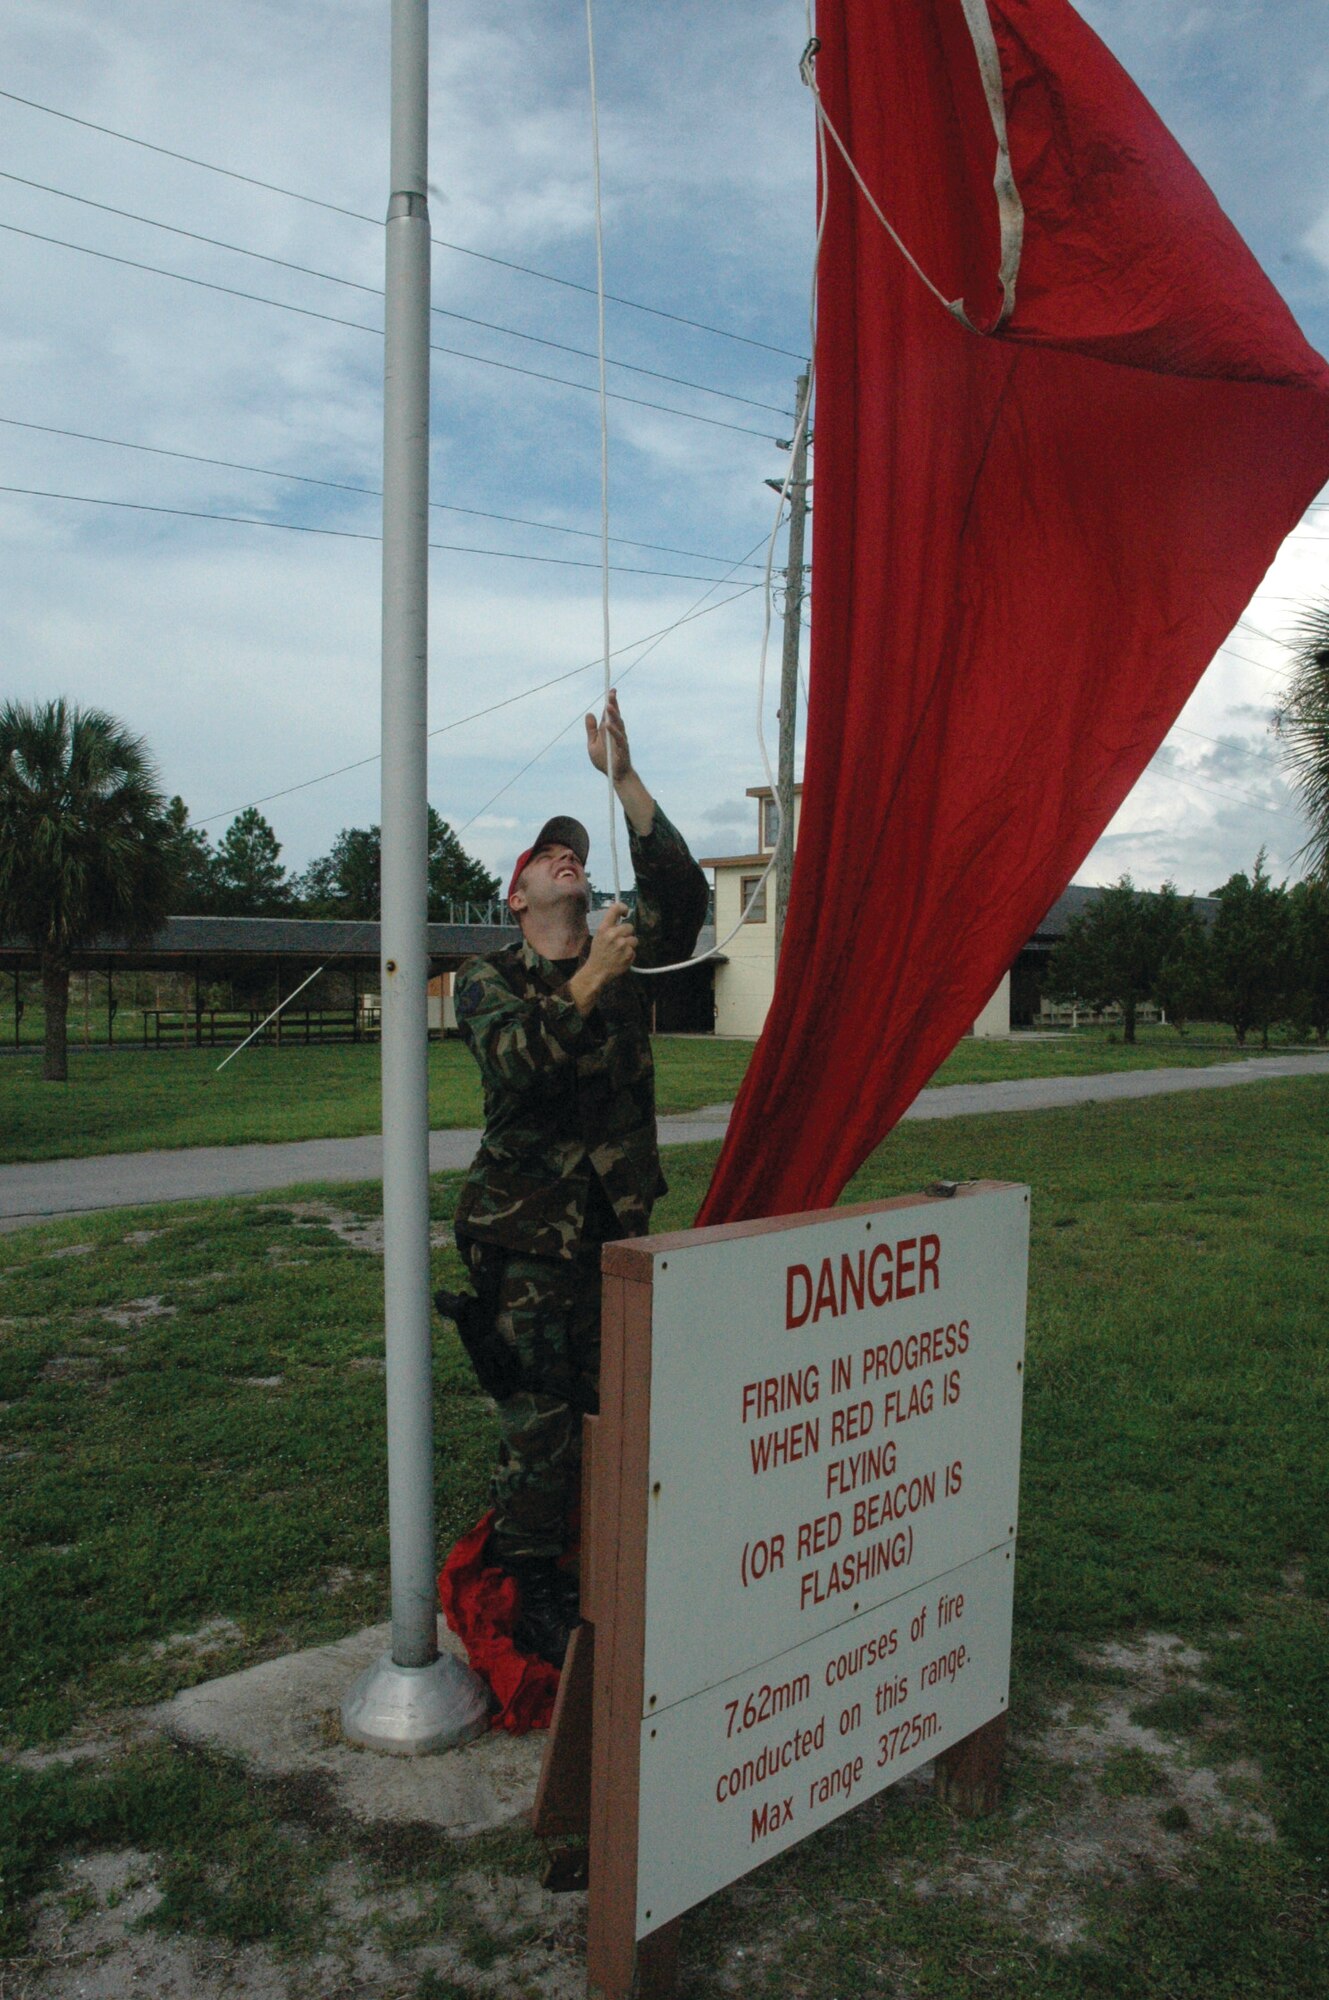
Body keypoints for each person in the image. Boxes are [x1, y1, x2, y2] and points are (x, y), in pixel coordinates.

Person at [444, 690, 708, 1664]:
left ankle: (605, 1559)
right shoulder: (489, 980)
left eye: (576, 849)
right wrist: (591, 975)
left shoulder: (627, 947)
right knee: (540, 1423)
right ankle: (531, 1586)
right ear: (517, 897)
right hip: (519, 1240)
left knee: (614, 1407)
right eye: (546, 854)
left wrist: (624, 779)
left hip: (616, 1232)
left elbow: (681, 894)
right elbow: (516, 1059)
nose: (568, 855)